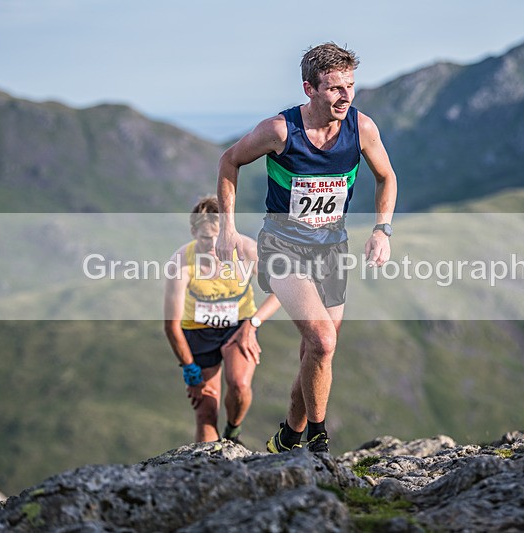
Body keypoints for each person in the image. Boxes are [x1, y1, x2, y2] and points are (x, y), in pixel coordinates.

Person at [215, 43, 398, 454]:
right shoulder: (280, 131)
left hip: (332, 248)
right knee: (323, 341)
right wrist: (227, 228)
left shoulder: (361, 128)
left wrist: (382, 229)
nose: (345, 96)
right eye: (334, 88)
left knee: (314, 352)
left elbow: (387, 178)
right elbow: (229, 161)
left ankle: (289, 437)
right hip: (282, 246)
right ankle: (317, 441)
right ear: (309, 89)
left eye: (350, 86)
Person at [164, 195, 280, 444]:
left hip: (239, 326)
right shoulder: (182, 261)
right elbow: (172, 325)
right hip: (198, 331)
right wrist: (190, 372)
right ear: (194, 232)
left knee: (239, 385)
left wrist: (253, 323)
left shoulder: (247, 250)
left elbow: (281, 291)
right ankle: (206, 472)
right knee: (206, 411)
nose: (212, 244)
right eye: (205, 238)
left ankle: (233, 432)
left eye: (217, 237)